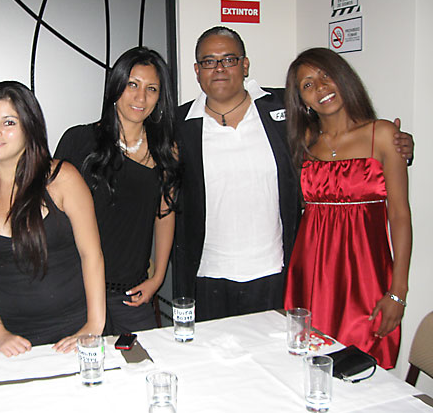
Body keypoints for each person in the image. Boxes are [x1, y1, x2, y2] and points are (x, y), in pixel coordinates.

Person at [172, 26, 414, 322]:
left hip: (277, 273)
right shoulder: (177, 124)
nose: (219, 68)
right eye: (209, 61)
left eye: (229, 59)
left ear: (245, 65)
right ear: (197, 70)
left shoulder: (283, 108)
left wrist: (398, 145)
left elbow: (340, 132)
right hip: (206, 276)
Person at [0, 81, 105, 355]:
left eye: (9, 122)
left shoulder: (62, 178)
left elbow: (91, 255)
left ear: (30, 128)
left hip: (75, 329)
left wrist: (93, 326)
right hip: (11, 338)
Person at [283, 48, 411, 369]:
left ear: (343, 77)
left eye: (326, 76)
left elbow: (399, 216)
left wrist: (398, 291)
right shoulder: (304, 142)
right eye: (308, 85)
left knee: (362, 369)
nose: (320, 87)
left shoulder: (382, 135)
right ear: (302, 100)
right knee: (309, 366)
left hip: (365, 277)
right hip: (311, 276)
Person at [55, 47, 179, 335]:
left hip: (131, 294)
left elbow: (165, 214)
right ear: (116, 86)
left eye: (151, 89)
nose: (140, 97)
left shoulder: (166, 151)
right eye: (132, 84)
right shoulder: (79, 140)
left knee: (144, 360)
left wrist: (158, 277)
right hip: (76, 290)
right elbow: (48, 212)